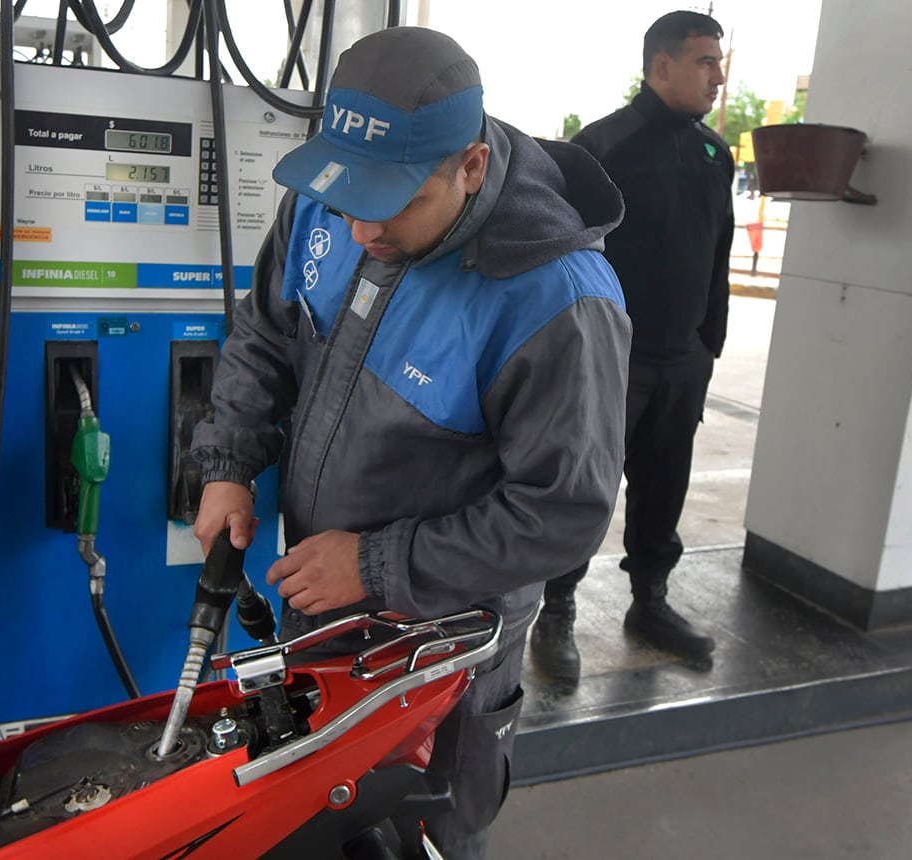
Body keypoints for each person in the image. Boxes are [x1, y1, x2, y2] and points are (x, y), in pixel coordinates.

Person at [190, 26, 631, 859]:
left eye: (390, 204)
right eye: (348, 198)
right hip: (320, 607)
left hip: (441, 652)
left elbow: (562, 514)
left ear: (469, 168)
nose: (359, 229)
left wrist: (375, 565)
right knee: (315, 827)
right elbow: (266, 333)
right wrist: (229, 463)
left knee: (416, 833)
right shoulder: (333, 197)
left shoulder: (556, 297)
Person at [529, 10, 735, 683]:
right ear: (661, 66)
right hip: (610, 358)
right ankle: (556, 609)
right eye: (705, 61)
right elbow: (559, 254)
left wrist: (711, 342)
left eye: (719, 61)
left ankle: (651, 601)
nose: (718, 75)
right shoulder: (604, 146)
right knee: (585, 487)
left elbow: (719, 254)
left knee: (664, 485)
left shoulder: (715, 151)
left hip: (683, 359)